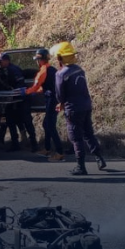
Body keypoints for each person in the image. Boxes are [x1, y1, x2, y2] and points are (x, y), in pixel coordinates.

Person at [52, 42, 106, 175]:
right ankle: (99, 158)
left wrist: (61, 103)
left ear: (60, 58)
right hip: (86, 105)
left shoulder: (61, 74)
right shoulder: (79, 69)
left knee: (76, 138)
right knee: (88, 133)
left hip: (73, 108)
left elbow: (60, 94)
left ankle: (81, 166)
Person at [27, 49, 64, 162]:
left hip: (52, 100)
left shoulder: (43, 71)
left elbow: (36, 85)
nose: (36, 62)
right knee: (46, 124)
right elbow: (46, 85)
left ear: (40, 60)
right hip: (53, 99)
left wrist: (25, 92)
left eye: (37, 59)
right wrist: (38, 91)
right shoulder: (51, 69)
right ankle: (47, 148)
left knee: (50, 125)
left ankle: (60, 152)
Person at [0, 53, 37, 152]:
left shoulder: (14, 70)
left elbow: (20, 85)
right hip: (11, 101)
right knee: (10, 122)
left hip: (21, 100)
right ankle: (15, 144)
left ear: (7, 61)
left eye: (0, 61)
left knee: (27, 121)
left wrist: (12, 91)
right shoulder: (2, 71)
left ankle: (34, 144)